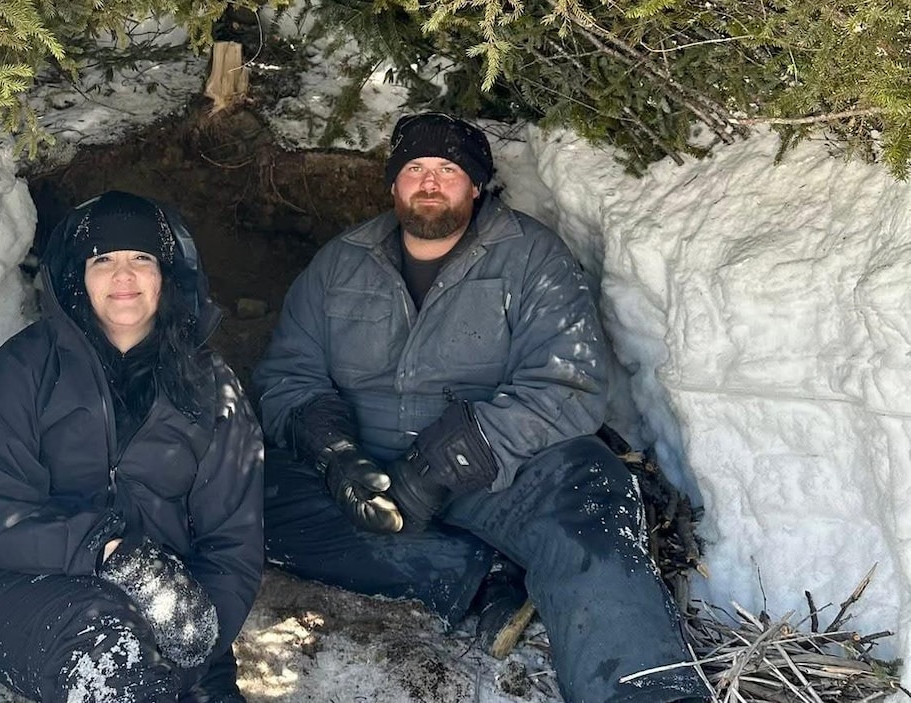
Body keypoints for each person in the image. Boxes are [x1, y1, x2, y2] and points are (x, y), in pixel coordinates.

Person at [253, 113, 710, 703]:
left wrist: (450, 461)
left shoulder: (532, 257)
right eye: (415, 169)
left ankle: (643, 688)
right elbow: (287, 376)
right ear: (394, 184)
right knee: (236, 502)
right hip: (370, 473)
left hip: (496, 471)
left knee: (593, 499)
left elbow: (568, 385)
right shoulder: (340, 263)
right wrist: (335, 455)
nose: (430, 182)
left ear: (475, 186)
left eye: (449, 170)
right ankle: (475, 573)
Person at [0, 190, 264, 703]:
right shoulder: (25, 368)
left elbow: (233, 542)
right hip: (13, 583)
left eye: (141, 258)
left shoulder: (212, 388)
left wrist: (204, 634)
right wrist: (113, 554)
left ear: (166, 276)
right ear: (79, 276)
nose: (124, 276)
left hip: (166, 603)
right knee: (117, 662)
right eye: (103, 259)